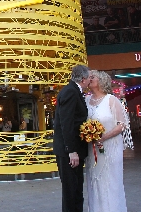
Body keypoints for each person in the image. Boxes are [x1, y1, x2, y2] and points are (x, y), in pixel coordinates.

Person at [84, 70, 128, 212]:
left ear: (101, 80)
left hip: (110, 147)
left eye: (93, 77)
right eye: (88, 77)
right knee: (94, 180)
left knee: (110, 181)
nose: (90, 79)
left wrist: (103, 137)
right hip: (93, 149)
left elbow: (121, 124)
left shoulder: (111, 100)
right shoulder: (86, 100)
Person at [53, 64, 91, 212]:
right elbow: (66, 123)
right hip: (68, 152)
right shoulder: (70, 92)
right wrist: (71, 151)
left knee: (76, 190)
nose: (90, 81)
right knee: (71, 191)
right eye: (89, 78)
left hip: (72, 151)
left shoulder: (74, 91)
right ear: (83, 79)